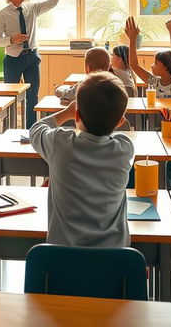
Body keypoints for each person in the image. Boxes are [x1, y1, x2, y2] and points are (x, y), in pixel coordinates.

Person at [30, 72, 134, 247]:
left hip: (62, 259)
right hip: (113, 262)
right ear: (120, 122)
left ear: (77, 116)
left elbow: (37, 128)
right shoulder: (124, 148)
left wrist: (66, 113)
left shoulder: (60, 143)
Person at [0, 0, 71, 128]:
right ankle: (9, 129)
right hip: (13, 60)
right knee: (10, 97)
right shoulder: (2, 14)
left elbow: (52, 3)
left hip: (32, 58)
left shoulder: (32, 8)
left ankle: (31, 129)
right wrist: (11, 40)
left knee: (32, 97)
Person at [125, 17, 171, 98]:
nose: (151, 65)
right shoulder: (153, 81)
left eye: (155, 63)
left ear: (166, 67)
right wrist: (132, 40)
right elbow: (134, 65)